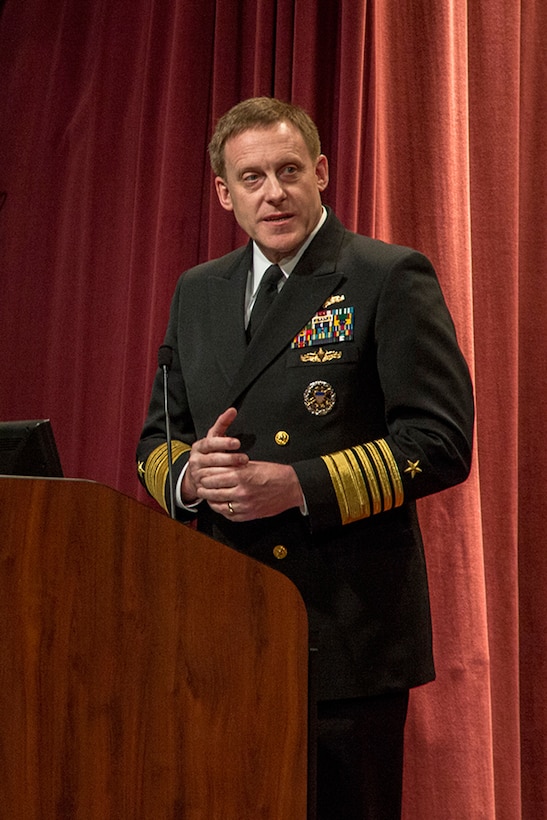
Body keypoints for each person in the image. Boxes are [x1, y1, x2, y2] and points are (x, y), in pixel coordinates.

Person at [137, 97, 474, 819]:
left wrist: (293, 485)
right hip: (221, 620)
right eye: (252, 177)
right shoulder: (198, 291)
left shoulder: (385, 276)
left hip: (342, 626)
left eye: (289, 170)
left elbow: (439, 443)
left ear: (320, 172)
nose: (274, 192)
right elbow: (156, 439)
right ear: (225, 193)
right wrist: (191, 477)